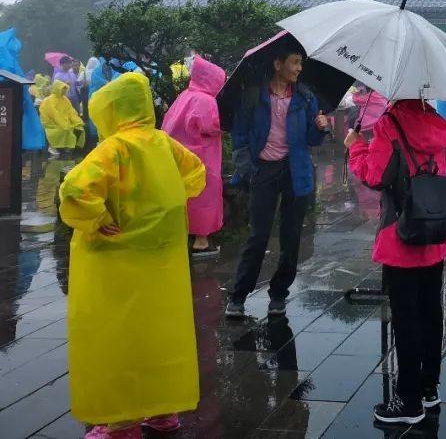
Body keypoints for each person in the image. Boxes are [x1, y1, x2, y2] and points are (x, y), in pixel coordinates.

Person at [58, 72, 206, 439]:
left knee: (118, 337)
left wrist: (98, 219)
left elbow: (75, 190)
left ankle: (121, 424)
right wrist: (163, 206)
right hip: (162, 262)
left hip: (117, 266)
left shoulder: (115, 148)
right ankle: (162, 412)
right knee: (160, 334)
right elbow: (195, 174)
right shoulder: (163, 143)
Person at [345, 99, 446, 425]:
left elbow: (375, 176)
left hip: (401, 236)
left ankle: (408, 401)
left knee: (406, 319)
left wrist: (356, 148)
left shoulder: (390, 125)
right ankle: (429, 388)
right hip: (435, 235)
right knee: (431, 311)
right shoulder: (438, 123)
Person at [226, 43, 332, 318]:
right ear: (278, 64)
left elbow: (310, 139)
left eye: (300, 63)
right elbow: (238, 138)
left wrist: (320, 128)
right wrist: (249, 169)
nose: (299, 68)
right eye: (294, 62)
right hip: (263, 171)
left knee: (291, 235)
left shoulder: (306, 98)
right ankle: (238, 294)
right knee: (258, 235)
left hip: (295, 172)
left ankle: (278, 294)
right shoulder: (252, 96)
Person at [162, 56, 227, 258]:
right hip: (202, 158)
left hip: (181, 157)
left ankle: (186, 236)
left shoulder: (186, 95)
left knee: (187, 197)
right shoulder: (205, 100)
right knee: (204, 196)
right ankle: (201, 241)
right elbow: (211, 127)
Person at [0, 28, 46, 152]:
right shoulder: (9, 63)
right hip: (11, 108)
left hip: (12, 109)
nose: (17, 53)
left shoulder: (12, 63)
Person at [39, 80, 85, 156]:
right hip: (52, 124)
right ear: (57, 88)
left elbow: (71, 112)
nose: (64, 91)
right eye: (62, 89)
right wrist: (64, 124)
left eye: (65, 89)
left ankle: (71, 149)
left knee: (80, 128)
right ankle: (61, 149)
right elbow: (54, 115)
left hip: (64, 122)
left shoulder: (65, 100)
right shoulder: (50, 100)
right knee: (65, 130)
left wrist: (78, 121)